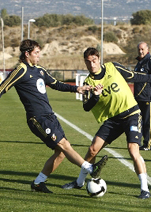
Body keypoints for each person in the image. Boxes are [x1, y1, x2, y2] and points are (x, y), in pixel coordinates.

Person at [0, 39, 108, 193]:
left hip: (49, 116)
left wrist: (77, 89)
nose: (39, 56)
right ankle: (90, 168)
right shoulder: (20, 70)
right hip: (37, 118)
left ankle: (38, 183)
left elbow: (56, 84)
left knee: (61, 153)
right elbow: (2, 87)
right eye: (36, 53)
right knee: (64, 146)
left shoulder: (39, 70)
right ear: (27, 54)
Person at [62, 47, 150, 199]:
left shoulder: (112, 67)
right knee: (92, 149)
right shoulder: (88, 82)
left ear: (99, 59)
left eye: (94, 61)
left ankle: (144, 189)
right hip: (113, 119)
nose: (92, 65)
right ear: (85, 63)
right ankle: (79, 182)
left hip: (132, 114)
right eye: (88, 62)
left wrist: (149, 77)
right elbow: (86, 107)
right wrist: (95, 96)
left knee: (132, 149)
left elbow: (133, 76)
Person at [134, 42, 151, 151]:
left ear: (147, 49)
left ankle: (148, 143)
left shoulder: (149, 61)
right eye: (139, 49)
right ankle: (142, 142)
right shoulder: (139, 62)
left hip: (147, 97)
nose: (140, 51)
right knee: (139, 121)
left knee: (147, 122)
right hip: (138, 97)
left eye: (142, 49)